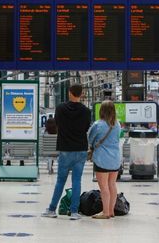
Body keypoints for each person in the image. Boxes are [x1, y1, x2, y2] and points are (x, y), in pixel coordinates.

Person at [42, 84, 91, 220]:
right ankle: (74, 212)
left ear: (69, 93)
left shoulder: (60, 108)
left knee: (60, 181)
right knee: (77, 181)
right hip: (80, 149)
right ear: (81, 94)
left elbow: (57, 123)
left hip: (65, 149)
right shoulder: (86, 111)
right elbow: (86, 127)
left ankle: (52, 209)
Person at [88, 100, 121, 219]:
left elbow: (90, 139)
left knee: (104, 187)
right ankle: (111, 211)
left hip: (102, 159)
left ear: (101, 110)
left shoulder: (98, 125)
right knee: (112, 184)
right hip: (115, 159)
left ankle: (105, 212)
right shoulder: (117, 124)